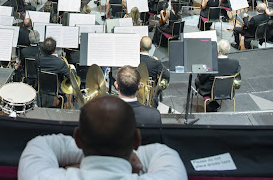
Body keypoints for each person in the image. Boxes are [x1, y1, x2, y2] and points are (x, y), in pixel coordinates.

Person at [18, 95, 186, 179]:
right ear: (137, 140)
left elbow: (43, 144)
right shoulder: (170, 170)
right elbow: (160, 153)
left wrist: (74, 166)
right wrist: (125, 159)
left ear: (77, 139)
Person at [195, 39, 241, 112]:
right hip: (228, 91)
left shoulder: (211, 64)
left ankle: (210, 102)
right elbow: (238, 81)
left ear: (218, 51)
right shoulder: (235, 63)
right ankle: (213, 104)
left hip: (209, 91)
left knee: (197, 80)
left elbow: (202, 79)